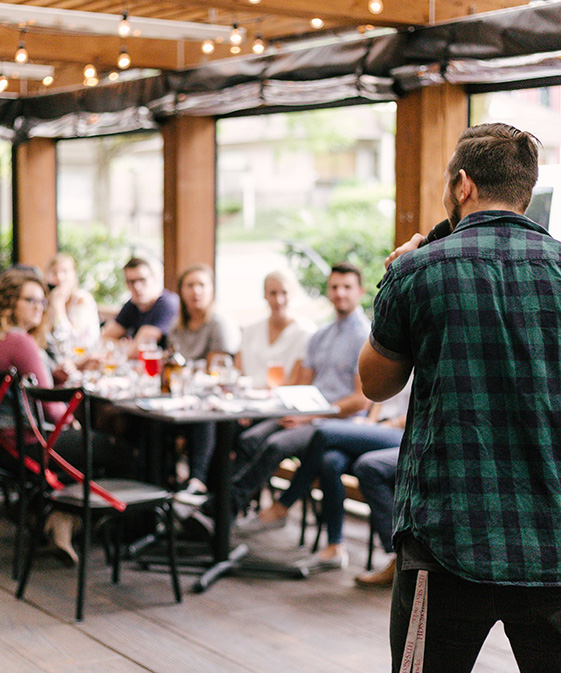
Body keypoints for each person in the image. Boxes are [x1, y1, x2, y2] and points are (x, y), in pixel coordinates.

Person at [358, 123, 561, 672]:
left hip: (446, 539)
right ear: (525, 190)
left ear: (462, 185)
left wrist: (394, 277)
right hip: (554, 539)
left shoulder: (418, 270)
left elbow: (375, 383)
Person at [226, 262, 370, 565]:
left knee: (276, 445)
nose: (339, 293)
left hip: (336, 422)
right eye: (334, 287)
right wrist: (288, 410)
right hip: (305, 415)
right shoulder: (319, 336)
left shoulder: (365, 337)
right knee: (251, 436)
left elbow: (361, 400)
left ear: (360, 291)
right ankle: (232, 506)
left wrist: (309, 416)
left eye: (347, 287)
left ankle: (227, 509)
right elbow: (302, 384)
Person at [0, 268, 133, 566]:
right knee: (121, 449)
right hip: (30, 444)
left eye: (43, 302)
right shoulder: (18, 341)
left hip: (6, 449)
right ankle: (122, 528)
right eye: (31, 300)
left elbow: (32, 385)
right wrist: (71, 418)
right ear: (10, 303)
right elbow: (51, 407)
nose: (40, 307)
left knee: (93, 441)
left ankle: (56, 514)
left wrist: (59, 374)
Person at [239, 384, 410, 576]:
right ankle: (335, 548)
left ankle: (284, 504)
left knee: (323, 433)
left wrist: (377, 426)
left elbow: (417, 413)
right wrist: (369, 422)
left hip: (397, 433)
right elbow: (378, 400)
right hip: (372, 429)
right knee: (330, 462)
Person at [168, 264, 240, 501]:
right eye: (190, 285)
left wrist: (186, 373)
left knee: (203, 412)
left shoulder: (219, 324)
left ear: (212, 290)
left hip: (213, 401)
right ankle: (163, 484)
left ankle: (196, 482)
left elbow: (215, 370)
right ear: (181, 291)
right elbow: (170, 367)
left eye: (202, 285)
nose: (196, 291)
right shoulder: (176, 328)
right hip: (180, 399)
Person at [235, 269, 316, 388]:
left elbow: (297, 381)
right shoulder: (250, 330)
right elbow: (238, 371)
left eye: (284, 292)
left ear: (293, 294)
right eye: (273, 293)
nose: (279, 300)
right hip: (246, 398)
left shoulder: (305, 331)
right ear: (265, 295)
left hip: (282, 401)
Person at [101, 257, 179, 358]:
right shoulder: (132, 305)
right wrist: (128, 345)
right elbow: (103, 339)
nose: (137, 287)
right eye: (132, 282)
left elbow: (138, 350)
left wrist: (122, 346)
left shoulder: (166, 303)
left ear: (154, 278)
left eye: (142, 280)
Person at [44, 253, 100, 353]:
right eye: (54, 272)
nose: (60, 277)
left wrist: (58, 307)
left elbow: (70, 341)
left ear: (74, 275)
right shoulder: (48, 299)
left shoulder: (82, 299)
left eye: (65, 271)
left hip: (84, 357)